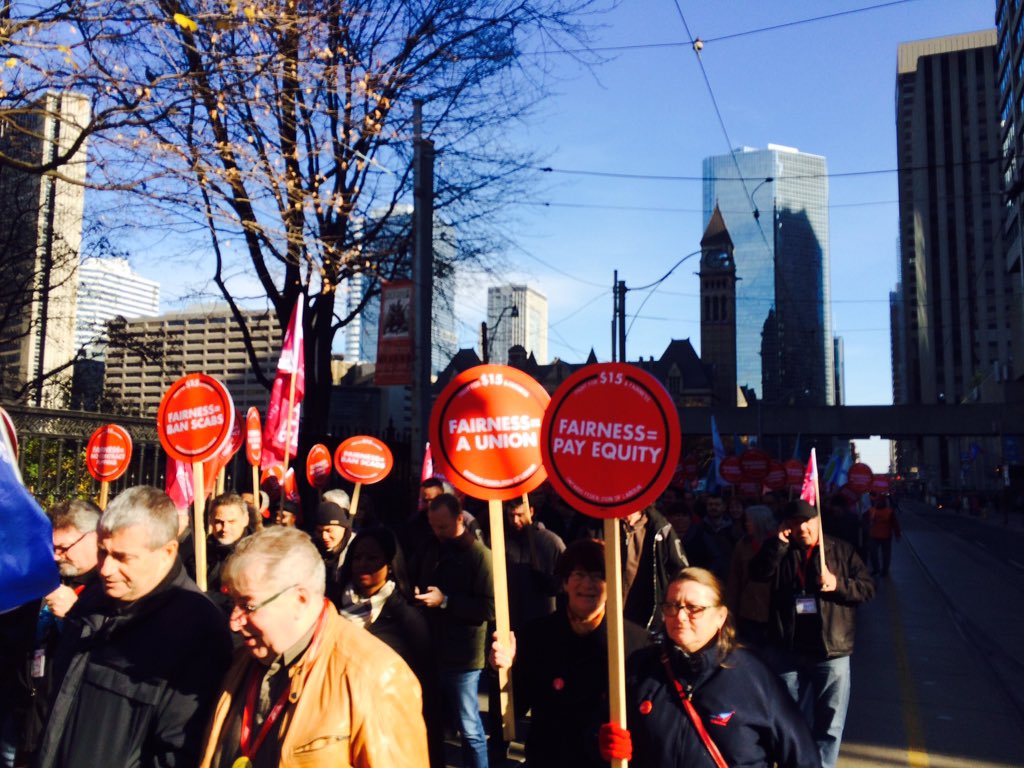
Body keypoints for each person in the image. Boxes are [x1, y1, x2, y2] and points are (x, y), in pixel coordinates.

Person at [34, 486, 232, 768]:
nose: (105, 569)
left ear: (167, 551)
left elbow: (176, 753)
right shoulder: (93, 597)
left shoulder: (199, 630)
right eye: (103, 553)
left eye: (123, 557)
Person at [198, 526, 429, 768]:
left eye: (247, 605)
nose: (234, 622)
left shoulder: (375, 676)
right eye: (232, 603)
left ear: (300, 600)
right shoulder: (241, 660)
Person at [599, 567, 820, 768]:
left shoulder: (754, 676)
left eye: (694, 608)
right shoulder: (641, 668)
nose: (680, 616)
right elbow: (598, 729)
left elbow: (802, 757)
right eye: (671, 606)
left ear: (720, 616)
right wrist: (602, 743)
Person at [489, 540, 649, 768]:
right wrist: (502, 672)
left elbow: (645, 724)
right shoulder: (536, 635)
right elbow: (509, 714)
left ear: (611, 583)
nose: (587, 584)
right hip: (548, 759)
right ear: (565, 582)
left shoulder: (637, 643)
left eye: (597, 576)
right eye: (579, 574)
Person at [750, 499, 875, 768]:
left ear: (819, 521)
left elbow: (867, 589)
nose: (802, 527)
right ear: (787, 526)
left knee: (830, 723)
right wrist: (778, 545)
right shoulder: (782, 549)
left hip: (831, 650)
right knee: (785, 716)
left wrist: (838, 584)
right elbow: (758, 573)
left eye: (807, 521)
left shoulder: (842, 550)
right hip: (788, 648)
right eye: (795, 522)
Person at [0, 500, 101, 766]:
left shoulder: (107, 588)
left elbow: (108, 651)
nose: (56, 555)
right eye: (52, 547)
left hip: (62, 721)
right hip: (21, 709)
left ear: (95, 538)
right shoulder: (46, 576)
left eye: (64, 548)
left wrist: (76, 614)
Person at [334, 527, 444, 768]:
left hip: (385, 733)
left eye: (373, 559)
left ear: (390, 565)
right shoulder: (331, 610)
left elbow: (426, 692)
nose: (364, 564)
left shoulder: (408, 620)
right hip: (336, 728)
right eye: (358, 558)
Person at [410, 492, 494, 768]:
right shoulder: (432, 546)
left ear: (460, 519)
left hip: (463, 657)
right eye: (433, 526)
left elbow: (489, 608)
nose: (438, 532)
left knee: (470, 728)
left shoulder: (480, 556)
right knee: (432, 722)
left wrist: (446, 602)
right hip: (433, 649)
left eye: (443, 526)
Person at [621, 503, 688, 632]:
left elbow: (680, 570)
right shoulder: (600, 527)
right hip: (608, 612)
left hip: (648, 613)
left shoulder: (660, 528)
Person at [503, 496, 565, 631]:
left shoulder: (551, 542)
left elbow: (566, 582)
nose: (515, 521)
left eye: (520, 515)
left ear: (531, 512)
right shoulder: (502, 542)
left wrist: (548, 583)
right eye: (511, 515)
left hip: (543, 623)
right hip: (512, 622)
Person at [725, 503, 776, 647]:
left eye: (749, 520)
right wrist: (731, 609)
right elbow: (735, 578)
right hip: (748, 610)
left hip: (773, 611)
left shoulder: (779, 544)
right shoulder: (743, 544)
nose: (746, 524)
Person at [313, 490, 356, 601]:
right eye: (319, 531)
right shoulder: (312, 547)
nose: (324, 536)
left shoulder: (357, 547)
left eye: (329, 530)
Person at [866, 494, 901, 576]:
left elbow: (895, 523)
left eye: (880, 501)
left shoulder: (888, 512)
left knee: (884, 554)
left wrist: (897, 534)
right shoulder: (872, 511)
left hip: (885, 536)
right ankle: (878, 569)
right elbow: (867, 522)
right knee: (875, 554)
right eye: (878, 501)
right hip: (875, 535)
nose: (879, 503)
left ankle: (883, 570)